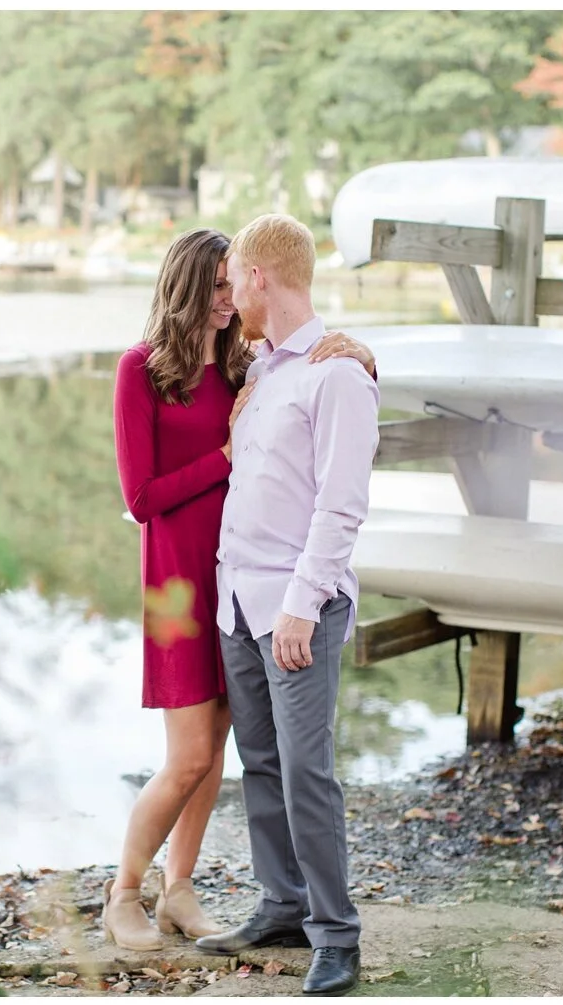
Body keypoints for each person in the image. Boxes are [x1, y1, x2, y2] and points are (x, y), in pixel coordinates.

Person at [108, 227, 375, 952]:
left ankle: (180, 889)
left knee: (231, 751)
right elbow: (139, 497)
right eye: (218, 287)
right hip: (177, 584)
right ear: (192, 285)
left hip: (236, 581)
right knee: (191, 754)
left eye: (234, 285)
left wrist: (359, 350)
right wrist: (220, 458)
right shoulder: (142, 370)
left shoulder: (243, 367)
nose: (230, 300)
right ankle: (123, 892)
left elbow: (310, 366)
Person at [193, 214, 379, 997]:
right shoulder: (264, 371)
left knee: (308, 771)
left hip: (296, 607)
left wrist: (304, 605)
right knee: (260, 763)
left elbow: (341, 508)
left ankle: (337, 937)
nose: (229, 294)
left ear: (260, 277)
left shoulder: (338, 375)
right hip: (238, 597)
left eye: (233, 278)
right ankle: (280, 901)